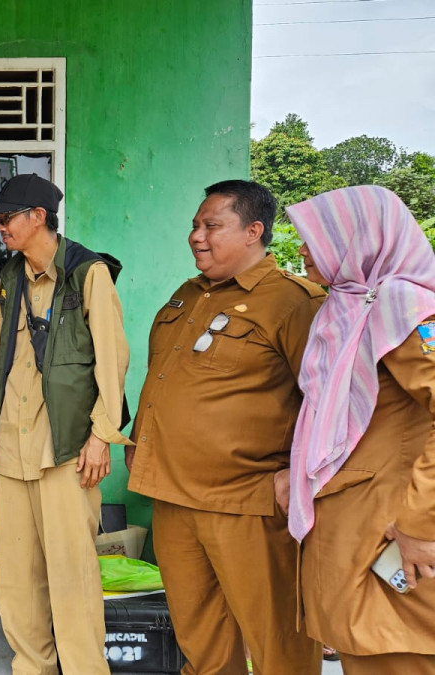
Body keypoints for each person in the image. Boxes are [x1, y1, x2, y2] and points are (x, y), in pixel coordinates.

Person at [126, 179, 324, 675]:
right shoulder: (188, 294)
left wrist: (300, 474)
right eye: (195, 225)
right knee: (200, 638)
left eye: (212, 226)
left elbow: (329, 401)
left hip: (246, 502)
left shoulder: (295, 302)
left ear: (253, 231)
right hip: (172, 495)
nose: (196, 236)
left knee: (277, 640)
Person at [0, 173, 131, 674]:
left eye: (6, 217)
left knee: (71, 573)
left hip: (66, 446)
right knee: (18, 576)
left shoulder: (87, 272)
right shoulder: (9, 276)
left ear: (38, 216)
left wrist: (101, 436)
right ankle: (32, 667)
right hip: (15, 445)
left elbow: (112, 360)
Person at [284, 185, 435, 674]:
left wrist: (420, 528)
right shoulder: (349, 305)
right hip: (356, 518)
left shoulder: (402, 306)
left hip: (391, 526)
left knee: (392, 651)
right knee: (363, 648)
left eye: (316, 237)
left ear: (358, 239)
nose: (302, 248)